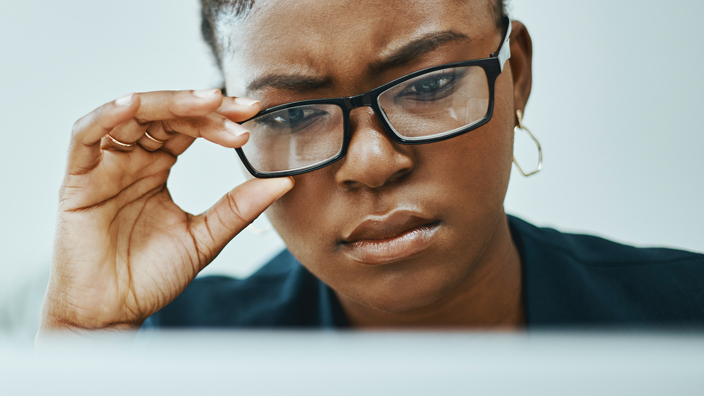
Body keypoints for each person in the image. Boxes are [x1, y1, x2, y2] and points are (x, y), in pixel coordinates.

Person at [39, 0, 704, 335]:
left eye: (427, 85)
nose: (373, 162)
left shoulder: (684, 315)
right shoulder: (174, 353)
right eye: (293, 117)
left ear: (517, 75)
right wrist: (80, 341)